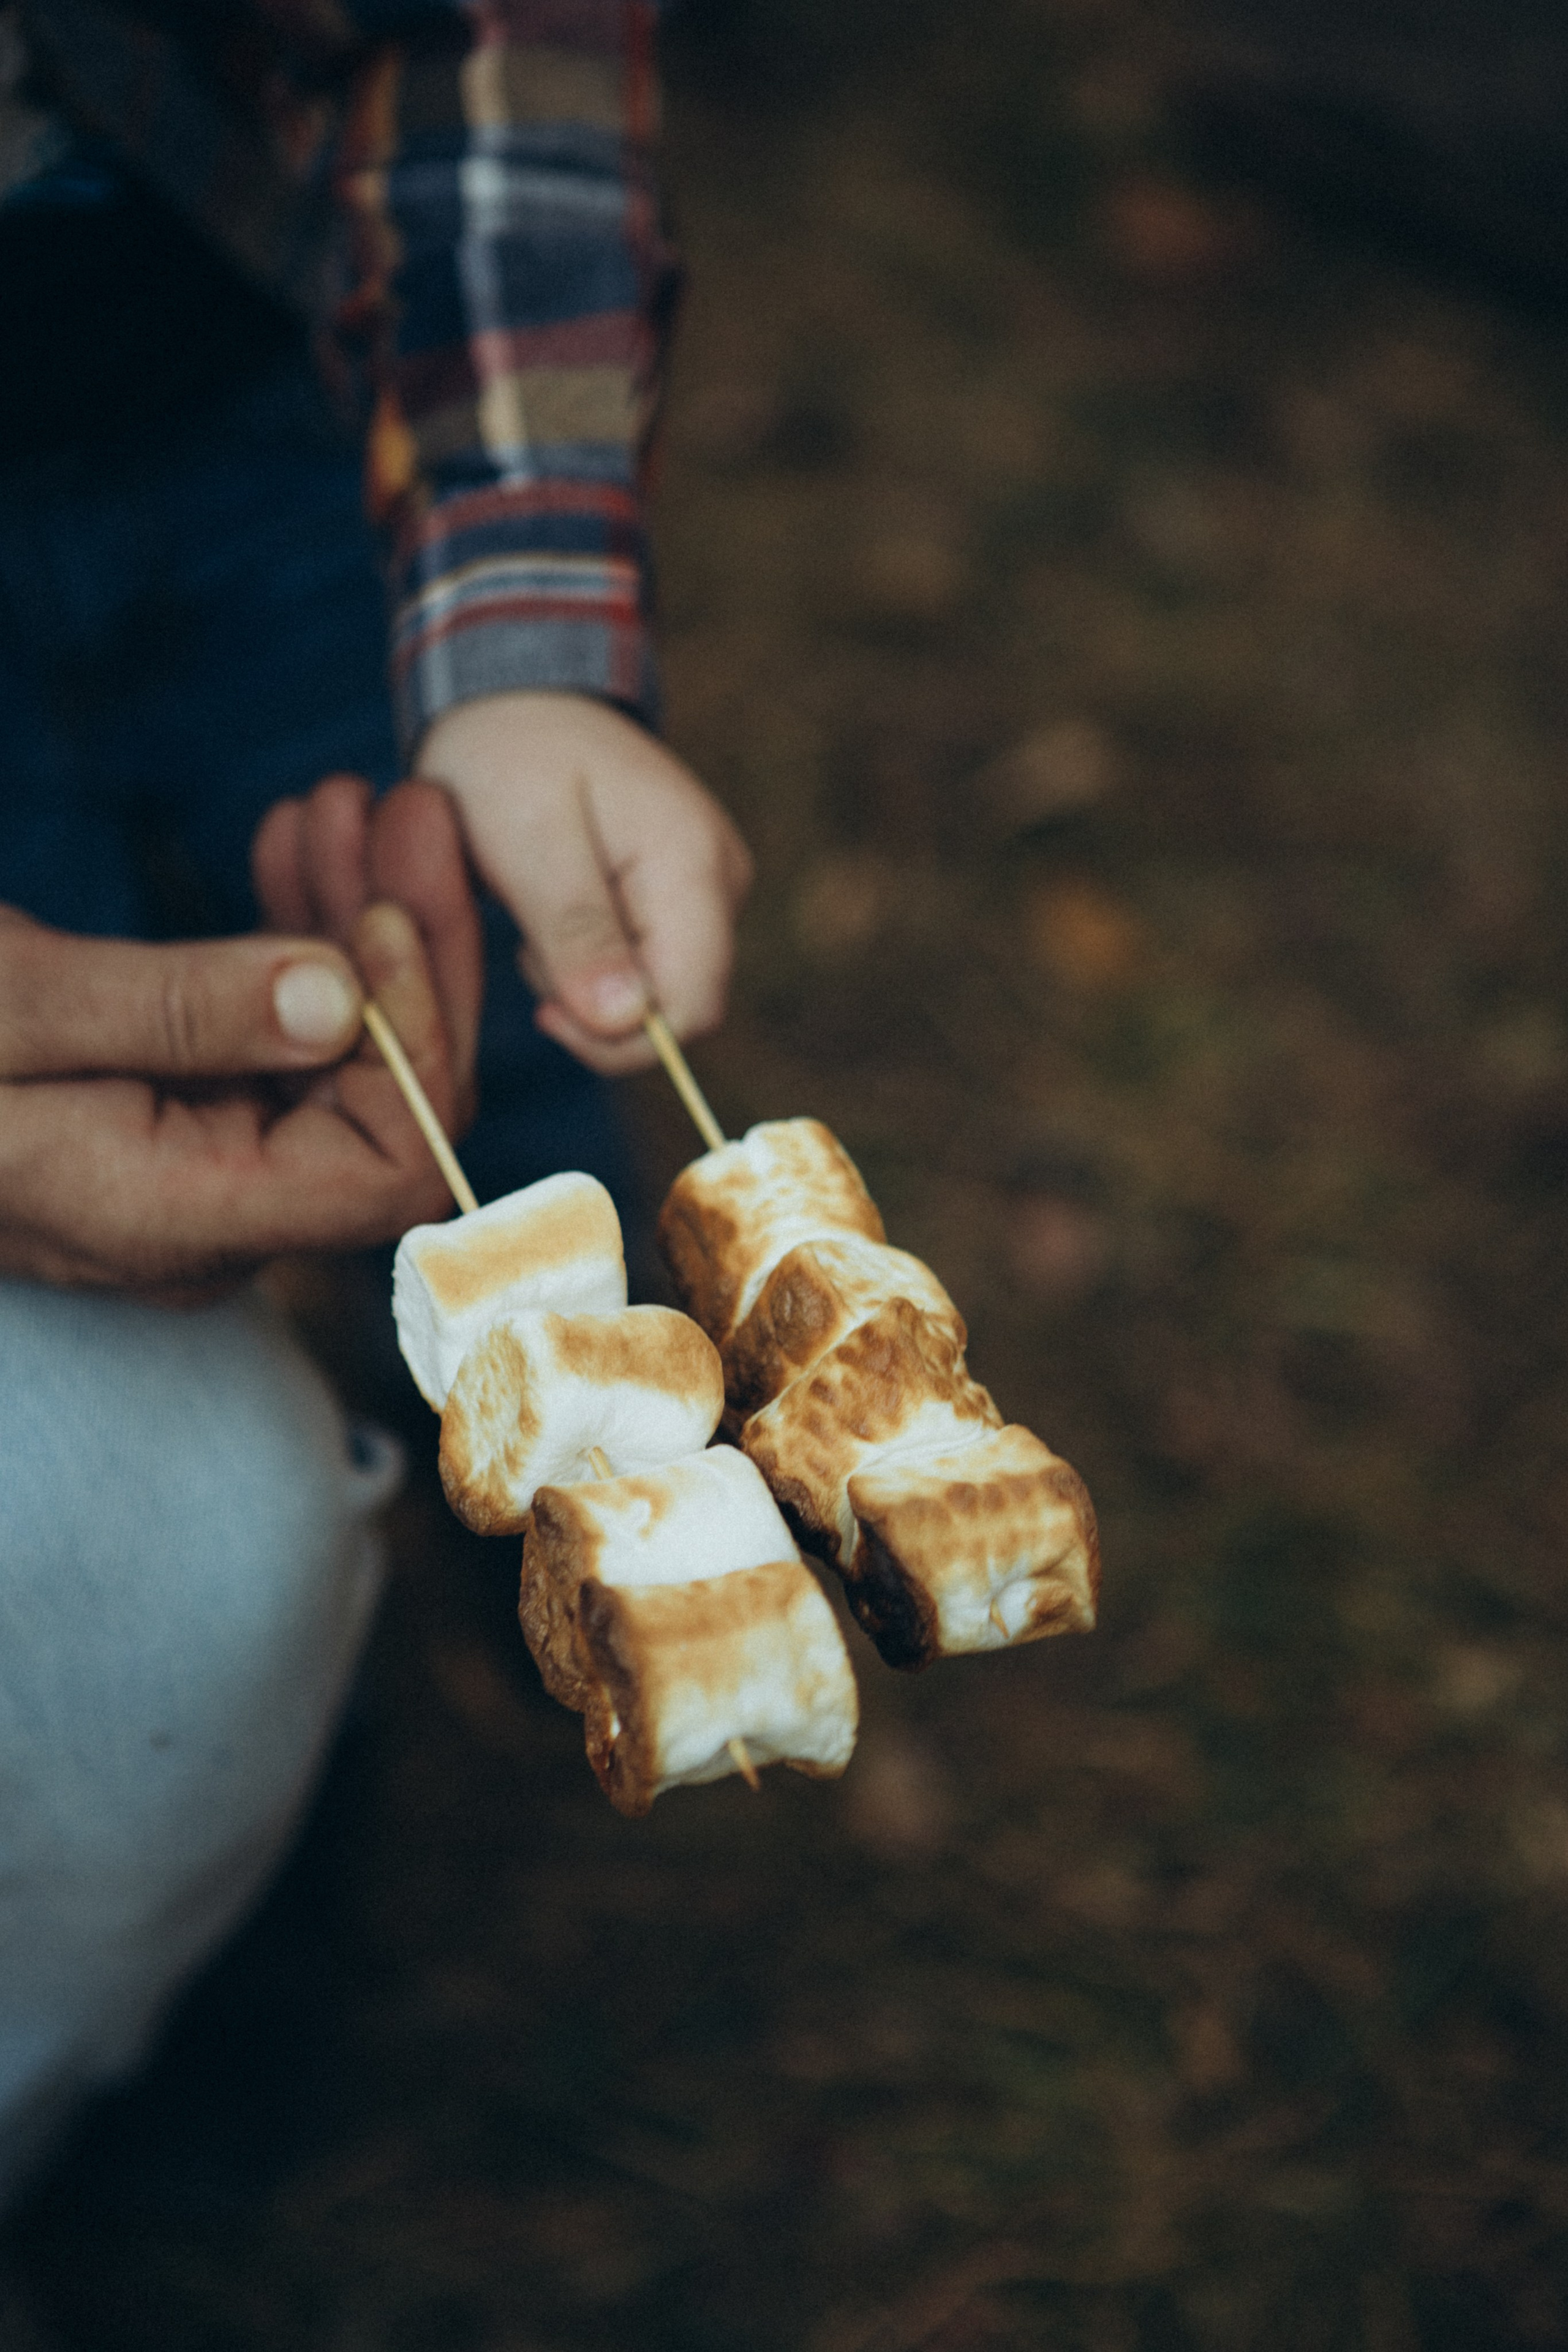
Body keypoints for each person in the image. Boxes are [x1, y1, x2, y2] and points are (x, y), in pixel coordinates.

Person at [0, 0, 749, 2206]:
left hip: (229, 326)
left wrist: (520, 650)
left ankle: (606, 1521)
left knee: (480, 985)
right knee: (103, 1142)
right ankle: (200, 1837)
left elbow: (469, 38)